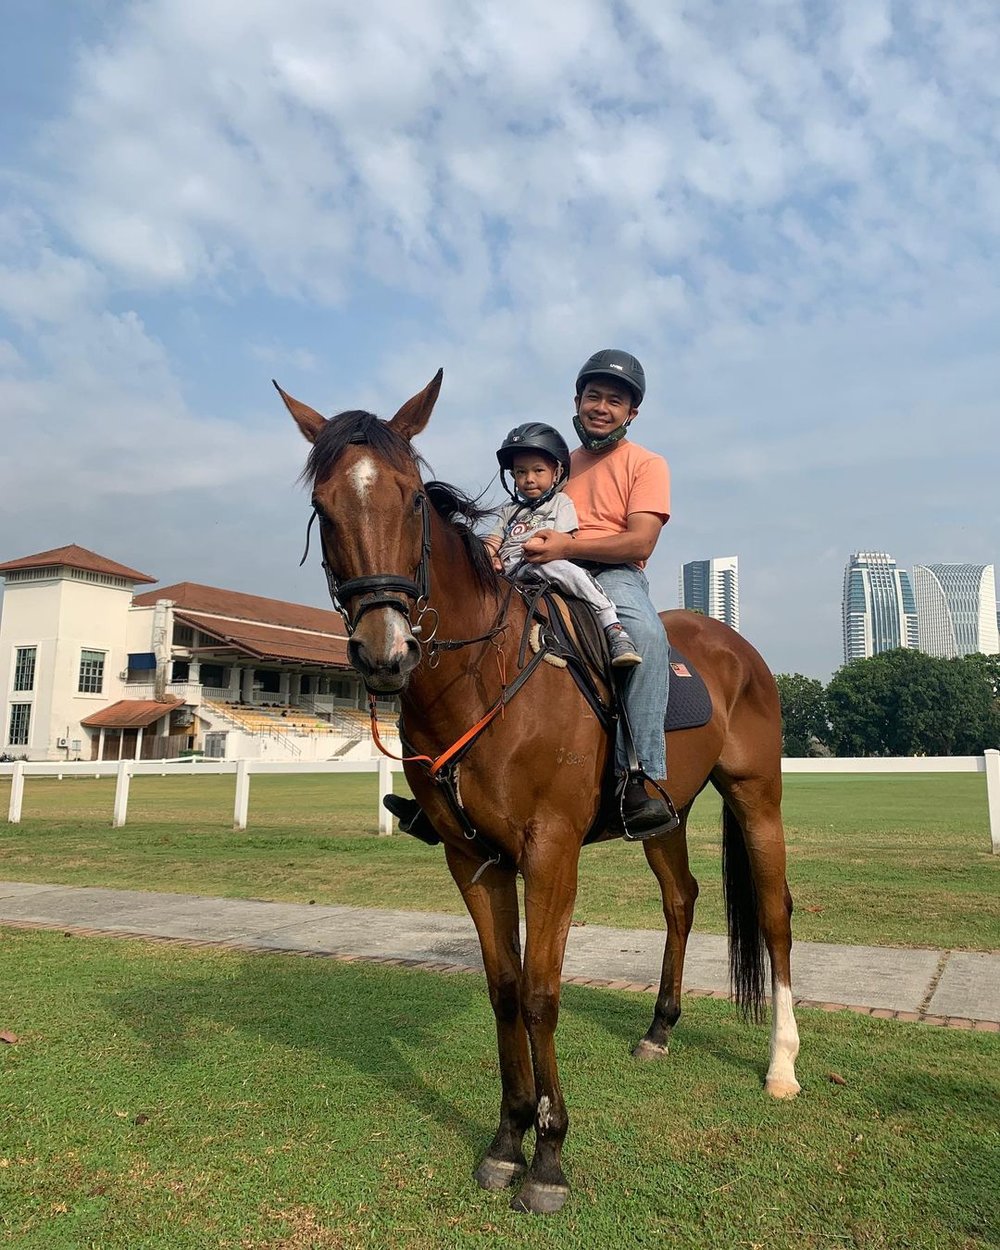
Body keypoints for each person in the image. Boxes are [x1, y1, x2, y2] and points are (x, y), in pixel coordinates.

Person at [520, 349, 679, 838]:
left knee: (647, 637)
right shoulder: (557, 463)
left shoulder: (647, 464)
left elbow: (641, 540)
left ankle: (638, 776)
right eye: (594, 396)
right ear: (577, 400)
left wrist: (570, 545)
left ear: (631, 412)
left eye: (615, 399)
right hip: (542, 562)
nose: (602, 406)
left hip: (612, 572)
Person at [485, 422, 641, 668]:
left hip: (543, 563)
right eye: (520, 472)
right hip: (509, 572)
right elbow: (492, 541)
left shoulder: (561, 503)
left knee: (568, 572)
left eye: (538, 471)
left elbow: (566, 539)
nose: (529, 479)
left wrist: (538, 545)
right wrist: (486, 558)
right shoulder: (508, 511)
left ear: (556, 473)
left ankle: (613, 625)